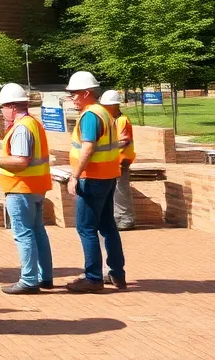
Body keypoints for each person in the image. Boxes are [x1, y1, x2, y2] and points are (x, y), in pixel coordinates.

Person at [65, 71, 125, 292]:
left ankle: (93, 278)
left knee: (86, 228)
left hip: (92, 179)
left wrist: (75, 176)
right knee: (108, 226)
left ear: (87, 93)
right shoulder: (104, 113)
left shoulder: (90, 115)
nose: (72, 98)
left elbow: (88, 148)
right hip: (108, 176)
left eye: (74, 94)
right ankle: (117, 274)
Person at [0, 82, 54, 295]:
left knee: (24, 234)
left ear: (11, 106)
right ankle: (44, 276)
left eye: (2, 107)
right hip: (35, 187)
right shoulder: (33, 123)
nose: (2, 112)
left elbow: (21, 161)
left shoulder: (21, 128)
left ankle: (29, 279)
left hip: (21, 188)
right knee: (37, 232)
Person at [101, 89, 135, 230]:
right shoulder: (112, 120)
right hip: (114, 160)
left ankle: (126, 219)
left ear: (115, 106)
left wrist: (106, 152)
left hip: (121, 160)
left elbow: (123, 141)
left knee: (120, 190)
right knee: (115, 191)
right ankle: (118, 217)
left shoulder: (122, 121)